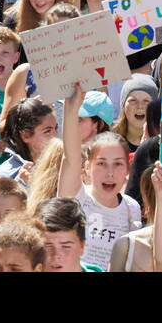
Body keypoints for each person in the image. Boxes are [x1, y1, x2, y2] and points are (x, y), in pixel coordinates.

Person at [58, 84, 142, 271]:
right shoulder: (78, 198)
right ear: (87, 168)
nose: (110, 173)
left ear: (128, 169)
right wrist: (70, 110)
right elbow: (70, 158)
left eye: (118, 164)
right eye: (101, 163)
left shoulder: (132, 208)